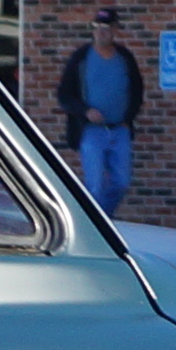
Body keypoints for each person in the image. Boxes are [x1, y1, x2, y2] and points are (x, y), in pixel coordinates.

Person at [61, 11, 146, 207]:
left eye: (106, 28)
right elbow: (64, 95)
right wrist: (85, 111)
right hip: (91, 132)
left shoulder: (125, 58)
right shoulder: (81, 58)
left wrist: (128, 119)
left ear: (115, 30)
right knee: (95, 186)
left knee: (121, 182)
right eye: (97, 27)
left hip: (120, 130)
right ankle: (97, 228)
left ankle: (103, 219)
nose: (101, 32)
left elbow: (137, 90)